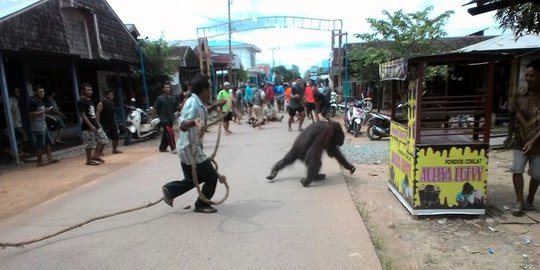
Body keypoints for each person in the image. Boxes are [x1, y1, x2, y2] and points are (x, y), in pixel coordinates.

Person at [161, 73, 226, 213]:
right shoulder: (192, 102)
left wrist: (216, 106)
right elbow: (183, 124)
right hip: (190, 149)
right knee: (211, 177)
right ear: (204, 89)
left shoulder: (198, 103)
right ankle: (201, 204)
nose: (210, 91)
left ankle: (170, 190)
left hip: (189, 148)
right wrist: (194, 122)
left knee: (193, 178)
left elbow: (204, 111)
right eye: (209, 88)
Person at [505, 58, 540, 212]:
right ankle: (519, 201)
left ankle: (530, 199)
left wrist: (533, 141)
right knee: (517, 169)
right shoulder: (520, 93)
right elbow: (512, 115)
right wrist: (508, 135)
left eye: (532, 76)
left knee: (537, 174)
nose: (528, 78)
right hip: (520, 139)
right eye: (527, 75)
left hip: (538, 142)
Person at [77, 83, 108, 166]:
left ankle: (95, 155)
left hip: (95, 124)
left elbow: (93, 114)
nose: (90, 91)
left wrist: (97, 124)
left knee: (103, 139)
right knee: (89, 144)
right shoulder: (81, 101)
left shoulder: (89, 100)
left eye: (90, 90)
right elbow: (82, 115)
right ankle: (88, 160)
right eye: (87, 90)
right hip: (88, 126)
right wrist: (90, 126)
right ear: (82, 91)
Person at [29, 85, 59, 167]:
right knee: (40, 144)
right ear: (35, 92)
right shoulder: (33, 101)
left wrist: (49, 115)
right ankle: (39, 162)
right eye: (40, 91)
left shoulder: (41, 101)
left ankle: (50, 158)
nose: (43, 93)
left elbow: (42, 113)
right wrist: (43, 112)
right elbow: (31, 114)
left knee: (48, 142)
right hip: (37, 126)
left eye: (43, 91)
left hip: (43, 124)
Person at [152, 82, 177, 154]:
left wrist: (184, 103)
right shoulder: (160, 98)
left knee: (166, 133)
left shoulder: (172, 98)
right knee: (170, 132)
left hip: (170, 118)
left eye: (169, 87)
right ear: (163, 89)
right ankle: (173, 148)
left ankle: (162, 148)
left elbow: (177, 107)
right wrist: (152, 117)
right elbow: (155, 108)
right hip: (163, 119)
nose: (168, 89)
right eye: (166, 87)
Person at [96, 90, 122, 155]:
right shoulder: (101, 103)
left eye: (112, 95)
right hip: (104, 123)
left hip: (112, 123)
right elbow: (98, 113)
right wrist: (98, 123)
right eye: (110, 95)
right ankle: (100, 151)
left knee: (116, 137)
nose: (111, 96)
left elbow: (113, 114)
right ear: (106, 95)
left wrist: (115, 122)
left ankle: (114, 150)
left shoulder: (111, 103)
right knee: (103, 138)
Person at [9, 88, 27, 156]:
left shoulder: (16, 100)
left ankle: (20, 151)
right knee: (23, 136)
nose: (18, 92)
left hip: (18, 122)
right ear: (13, 92)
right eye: (16, 91)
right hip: (14, 123)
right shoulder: (10, 100)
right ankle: (12, 149)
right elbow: (8, 111)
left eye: (18, 91)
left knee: (19, 137)